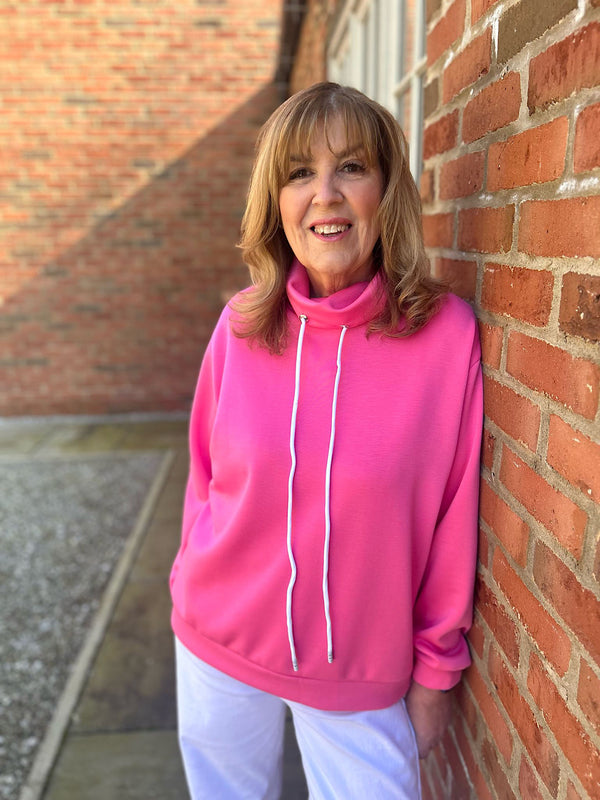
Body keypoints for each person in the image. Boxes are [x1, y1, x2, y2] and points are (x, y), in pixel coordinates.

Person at [170, 82, 483, 799]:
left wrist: (436, 670)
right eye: (299, 173)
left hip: (358, 669)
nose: (326, 194)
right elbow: (204, 476)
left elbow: (452, 517)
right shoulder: (240, 326)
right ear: (276, 202)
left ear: (386, 189)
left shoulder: (445, 337)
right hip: (215, 640)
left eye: (351, 167)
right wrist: (188, 573)